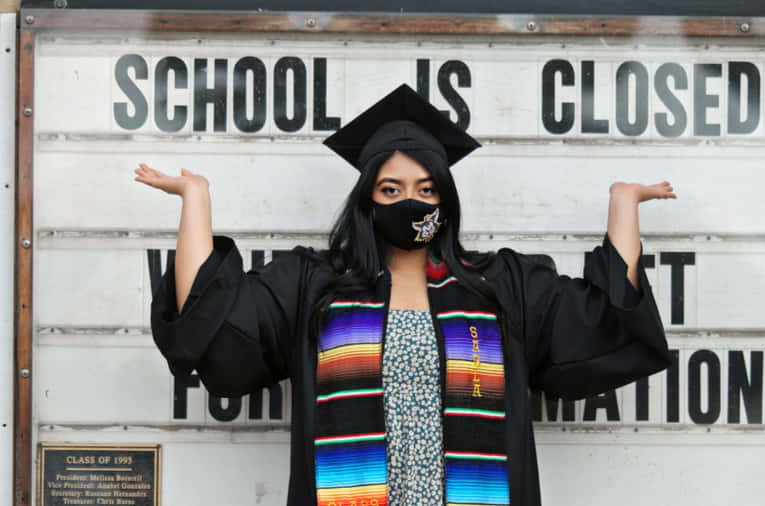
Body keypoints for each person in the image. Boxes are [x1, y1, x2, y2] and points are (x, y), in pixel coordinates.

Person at [135, 83, 676, 506]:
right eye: (391, 190)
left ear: (445, 199)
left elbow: (605, 324)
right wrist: (196, 199)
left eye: (426, 191)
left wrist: (622, 205)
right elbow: (214, 324)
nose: (410, 204)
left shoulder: (498, 288)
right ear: (368, 200)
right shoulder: (316, 287)